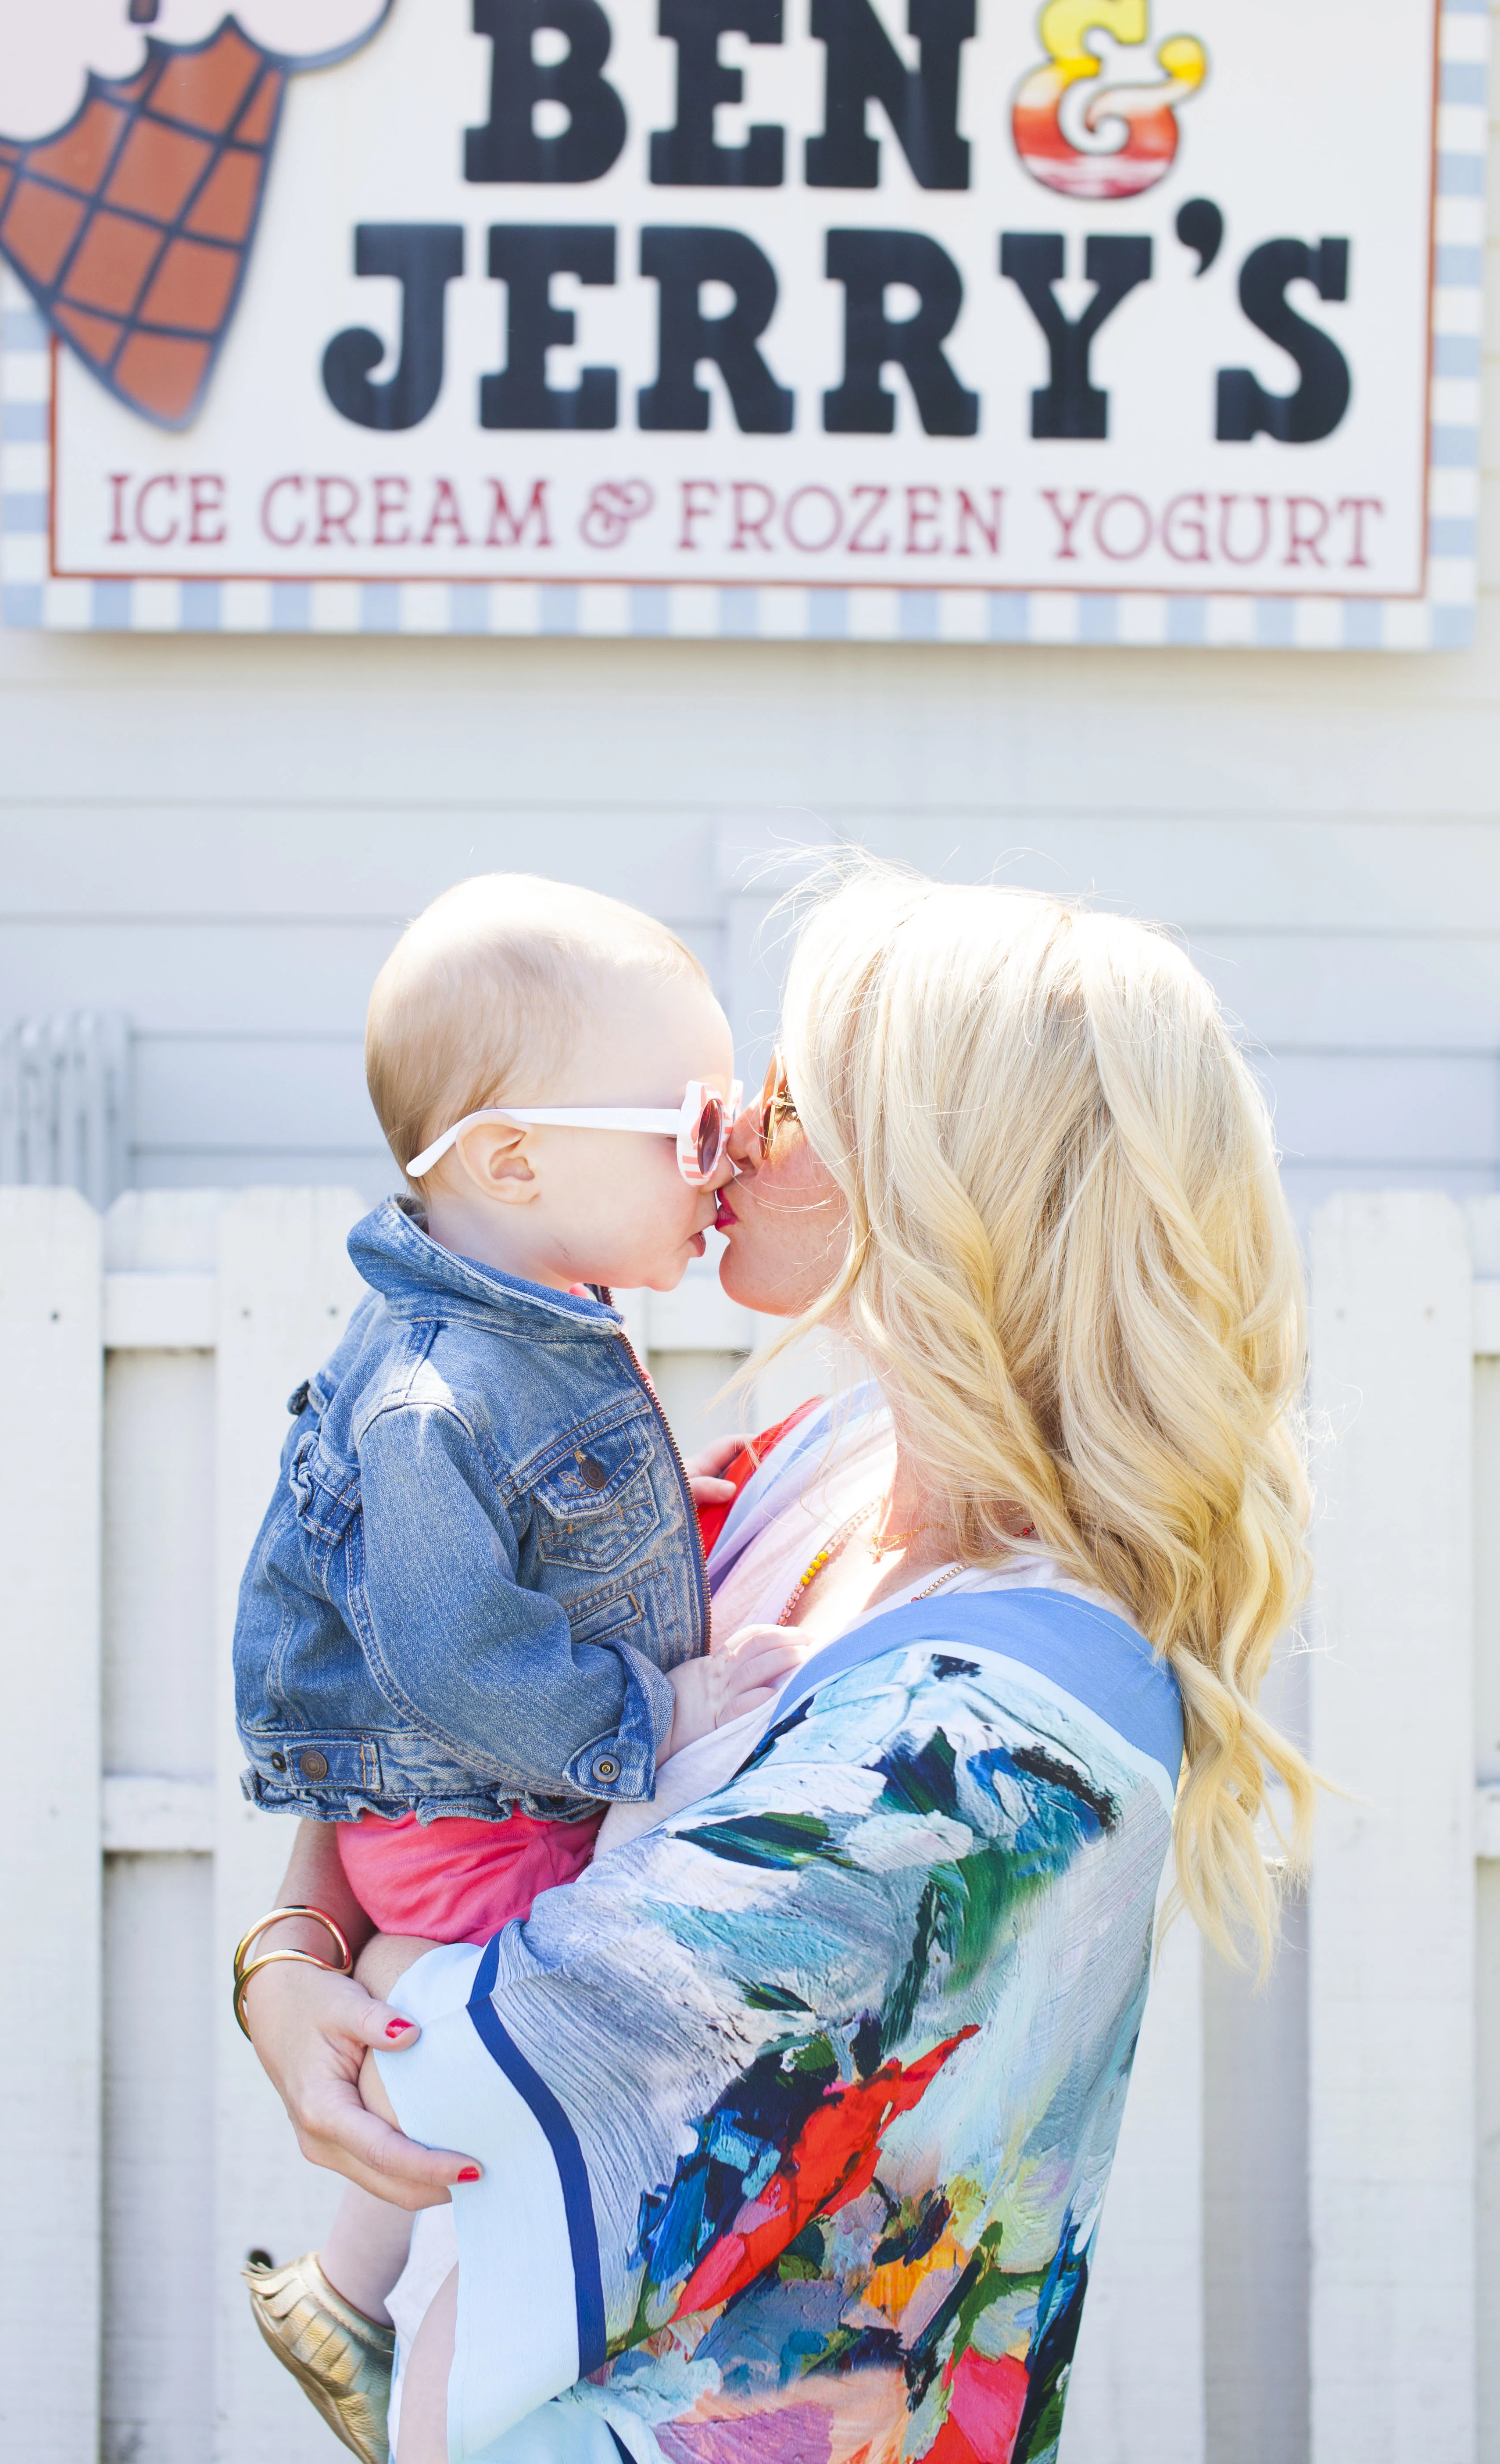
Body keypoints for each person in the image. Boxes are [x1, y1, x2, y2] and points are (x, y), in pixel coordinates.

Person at [243, 860, 1317, 2464]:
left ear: (937, 1169)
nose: (729, 1133)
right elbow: (446, 1701)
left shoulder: (1007, 1727)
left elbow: (523, 2054)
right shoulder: (824, 1467)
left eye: (785, 1097)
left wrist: (328, 1988)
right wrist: (288, 1941)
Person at [233, 874, 786, 2464]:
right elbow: (458, 1647)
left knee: (511, 2112)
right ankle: (457, 2393)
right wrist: (658, 1710)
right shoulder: (438, 1391)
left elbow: (546, 1546)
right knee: (518, 2098)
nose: (731, 1156)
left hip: (477, 1797)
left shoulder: (538, 1321)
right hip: (476, 1804)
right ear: (516, 1159)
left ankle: (353, 2297)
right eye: (691, 1127)